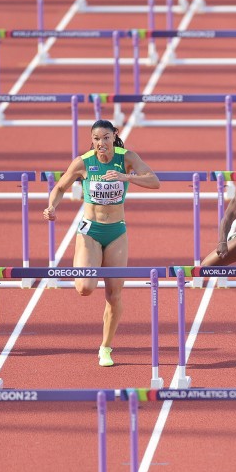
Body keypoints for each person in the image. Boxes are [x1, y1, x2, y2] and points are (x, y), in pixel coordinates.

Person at [43, 119, 159, 367]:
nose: (101, 143)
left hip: (116, 231)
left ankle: (105, 347)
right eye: (96, 139)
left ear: (114, 136)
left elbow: (154, 181)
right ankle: (86, 263)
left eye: (106, 138)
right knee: (84, 288)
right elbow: (60, 187)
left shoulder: (127, 157)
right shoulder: (83, 162)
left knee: (114, 295)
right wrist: (51, 206)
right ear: (92, 140)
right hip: (90, 230)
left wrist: (125, 177)